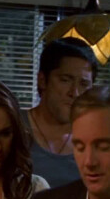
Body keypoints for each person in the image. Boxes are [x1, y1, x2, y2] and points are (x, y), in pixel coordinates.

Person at [23, 38, 98, 188]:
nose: (74, 92)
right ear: (42, 80)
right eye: (65, 80)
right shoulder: (11, 126)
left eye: (83, 84)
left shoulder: (93, 140)